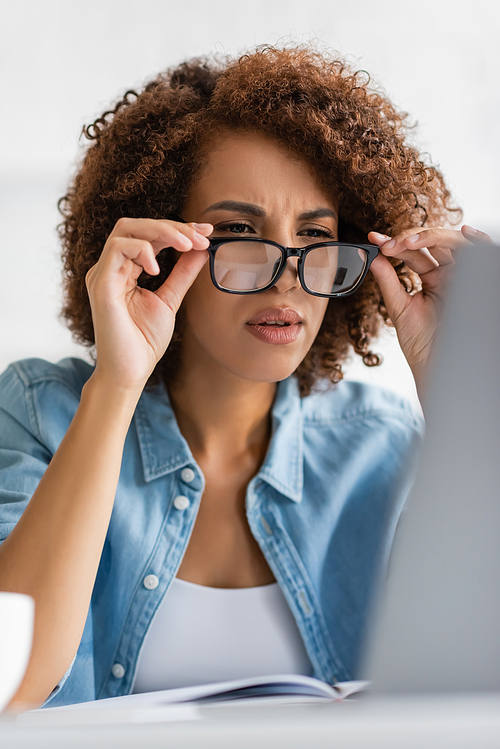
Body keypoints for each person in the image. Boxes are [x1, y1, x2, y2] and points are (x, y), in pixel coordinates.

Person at [0, 45, 491, 710]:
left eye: (317, 238)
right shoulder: (40, 413)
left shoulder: (382, 443)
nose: (290, 274)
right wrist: (116, 383)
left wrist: (467, 398)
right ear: (162, 246)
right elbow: (12, 685)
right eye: (239, 230)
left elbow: (474, 683)